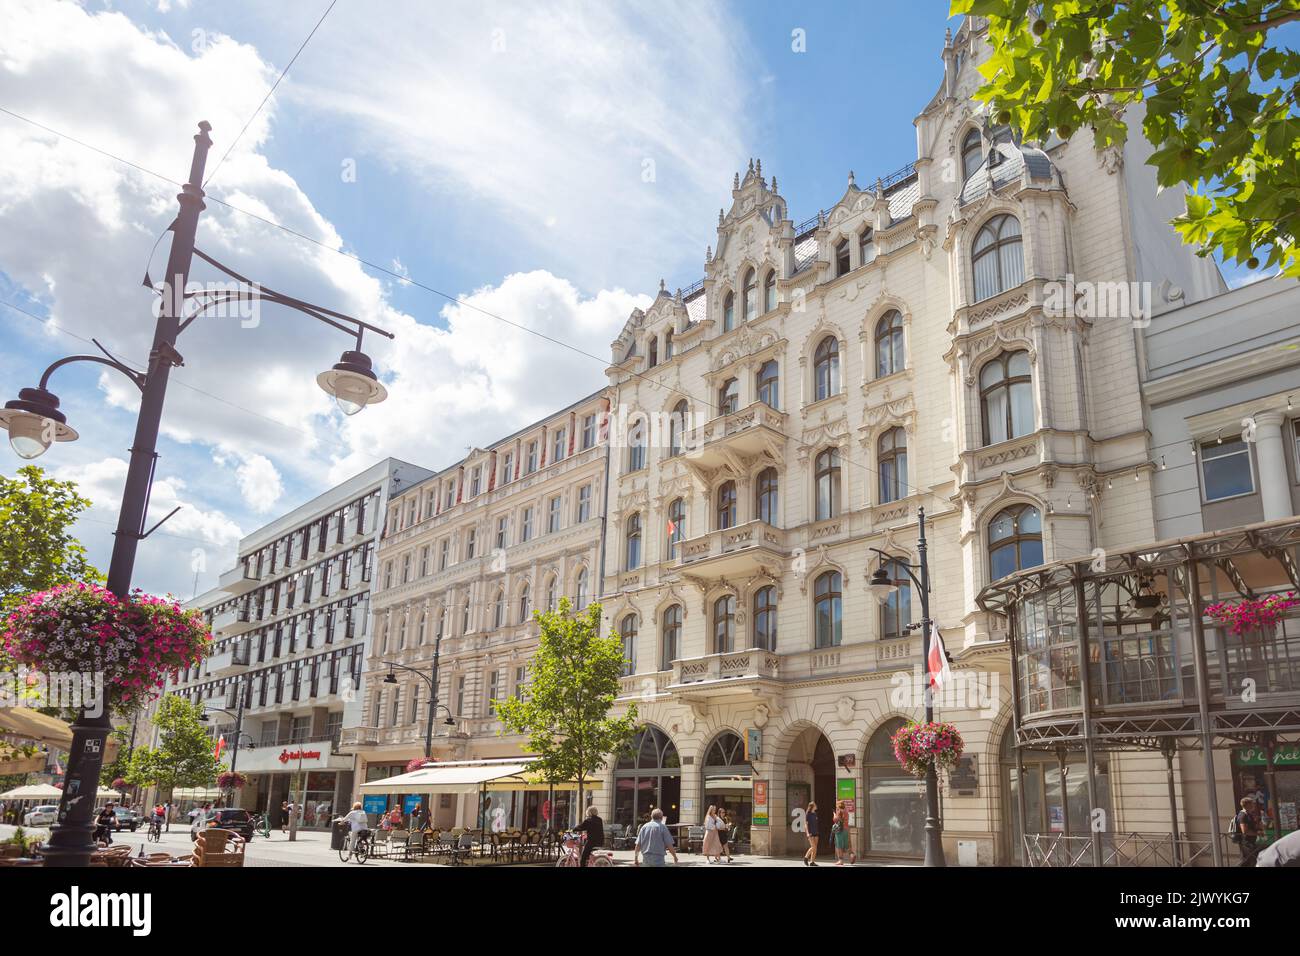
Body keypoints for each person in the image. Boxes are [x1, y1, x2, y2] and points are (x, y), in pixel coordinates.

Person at [1234, 797, 1262, 866]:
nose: (1253, 805)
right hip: (1246, 843)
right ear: (1247, 805)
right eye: (1252, 804)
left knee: (1250, 861)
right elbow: (1245, 831)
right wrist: (1257, 833)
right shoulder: (1243, 815)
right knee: (1248, 861)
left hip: (1251, 842)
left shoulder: (1248, 814)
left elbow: (1252, 826)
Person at [832, 800, 852, 865]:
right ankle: (852, 855)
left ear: (839, 805)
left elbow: (835, 820)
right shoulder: (846, 812)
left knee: (839, 845)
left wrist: (834, 814)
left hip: (839, 830)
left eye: (837, 805)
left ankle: (840, 860)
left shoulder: (839, 811)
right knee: (847, 845)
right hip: (846, 829)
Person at [803, 801, 819, 866]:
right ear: (812, 806)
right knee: (813, 847)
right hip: (810, 833)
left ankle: (812, 862)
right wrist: (807, 833)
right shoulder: (808, 814)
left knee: (815, 848)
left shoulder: (815, 813)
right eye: (815, 805)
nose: (816, 806)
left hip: (816, 832)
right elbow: (806, 825)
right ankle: (806, 857)